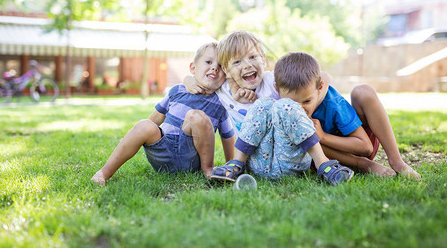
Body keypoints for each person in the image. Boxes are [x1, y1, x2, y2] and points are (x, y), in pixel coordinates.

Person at [186, 31, 354, 186]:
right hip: (257, 164)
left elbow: (323, 77)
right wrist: (188, 80)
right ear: (226, 71)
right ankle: (237, 164)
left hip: (291, 157)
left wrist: (304, 106)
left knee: (276, 104)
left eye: (252, 57)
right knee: (263, 105)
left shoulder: (274, 80)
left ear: (263, 60)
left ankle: (323, 165)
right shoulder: (223, 90)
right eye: (237, 62)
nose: (247, 65)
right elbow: (200, 80)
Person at [91, 43, 235, 185]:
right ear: (193, 67)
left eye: (220, 66)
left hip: (192, 156)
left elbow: (227, 137)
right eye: (208, 62)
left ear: (226, 75)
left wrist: (231, 166)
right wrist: (134, 136)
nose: (214, 67)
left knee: (195, 116)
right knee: (144, 124)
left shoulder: (222, 102)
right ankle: (104, 172)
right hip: (163, 152)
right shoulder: (177, 91)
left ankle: (208, 170)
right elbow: (154, 119)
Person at [272, 52, 421, 179]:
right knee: (304, 131)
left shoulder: (332, 102)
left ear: (320, 88)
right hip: (322, 161)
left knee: (363, 91)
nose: (301, 109)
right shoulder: (280, 106)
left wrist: (323, 136)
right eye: (292, 103)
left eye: (307, 101)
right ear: (277, 91)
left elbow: (366, 147)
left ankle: (396, 161)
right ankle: (362, 165)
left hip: (355, 147)